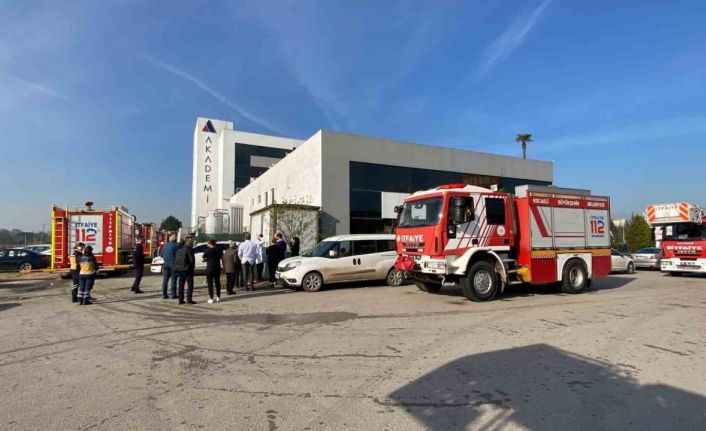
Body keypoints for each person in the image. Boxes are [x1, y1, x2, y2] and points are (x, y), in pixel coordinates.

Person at [175, 237, 197, 305]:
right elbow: (192, 260)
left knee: (181, 285)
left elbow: (176, 259)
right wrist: (193, 268)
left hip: (179, 269)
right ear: (190, 244)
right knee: (190, 285)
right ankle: (189, 299)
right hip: (187, 270)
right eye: (192, 244)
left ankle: (180, 300)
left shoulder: (179, 250)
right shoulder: (190, 250)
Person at [161, 235, 179, 299]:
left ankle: (164, 294)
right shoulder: (176, 246)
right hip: (173, 263)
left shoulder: (165, 245)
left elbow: (161, 255)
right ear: (175, 240)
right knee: (173, 280)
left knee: (165, 279)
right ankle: (173, 294)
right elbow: (179, 255)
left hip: (165, 263)